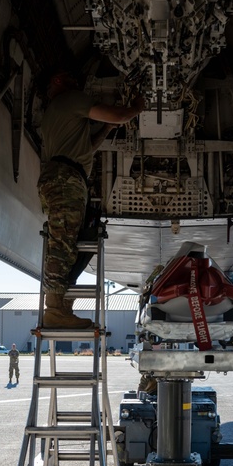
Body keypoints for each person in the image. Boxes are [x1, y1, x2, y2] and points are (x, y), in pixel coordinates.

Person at [38, 69, 145, 328]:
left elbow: (87, 147)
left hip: (64, 177)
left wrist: (107, 129)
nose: (78, 84)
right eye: (73, 79)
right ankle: (54, 310)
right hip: (66, 180)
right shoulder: (71, 99)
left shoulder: (57, 113)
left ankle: (61, 308)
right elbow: (119, 115)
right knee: (62, 245)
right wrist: (137, 107)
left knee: (67, 243)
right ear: (57, 80)